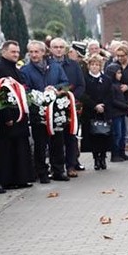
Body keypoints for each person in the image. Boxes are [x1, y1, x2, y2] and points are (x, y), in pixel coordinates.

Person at [20, 40, 70, 182]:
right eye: (31, 52)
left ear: (43, 52)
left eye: (36, 51)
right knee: (40, 144)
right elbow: (25, 89)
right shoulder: (25, 70)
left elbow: (66, 84)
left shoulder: (55, 67)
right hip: (38, 113)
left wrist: (55, 89)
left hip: (56, 112)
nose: (34, 55)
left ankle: (58, 170)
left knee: (58, 142)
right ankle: (42, 172)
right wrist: (40, 94)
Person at [0, 40, 35, 189]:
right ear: (4, 52)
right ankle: (3, 181)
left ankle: (19, 179)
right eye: (13, 52)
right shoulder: (0, 68)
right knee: (5, 150)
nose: (16, 55)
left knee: (19, 148)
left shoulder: (16, 70)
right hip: (7, 118)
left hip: (19, 117)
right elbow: (0, 93)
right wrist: (6, 116)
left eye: (18, 52)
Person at [49, 37, 86, 176]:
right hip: (53, 107)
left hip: (71, 106)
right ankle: (56, 168)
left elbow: (81, 84)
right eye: (55, 47)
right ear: (51, 49)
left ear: (65, 49)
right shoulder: (47, 65)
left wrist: (72, 99)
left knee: (71, 136)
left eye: (61, 47)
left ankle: (71, 165)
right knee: (55, 138)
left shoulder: (73, 65)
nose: (58, 49)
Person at [80, 54, 114, 170]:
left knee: (104, 135)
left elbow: (110, 94)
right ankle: (96, 158)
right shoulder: (84, 79)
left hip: (104, 112)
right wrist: (94, 105)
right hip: (90, 112)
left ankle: (103, 157)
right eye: (92, 65)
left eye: (97, 65)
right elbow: (83, 95)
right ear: (89, 66)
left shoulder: (106, 79)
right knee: (93, 136)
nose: (94, 67)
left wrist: (103, 105)